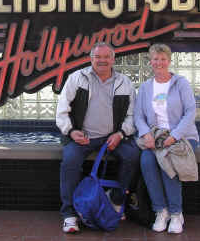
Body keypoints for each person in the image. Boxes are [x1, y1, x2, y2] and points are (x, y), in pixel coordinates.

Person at [56, 42, 140, 233]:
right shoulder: (77, 78)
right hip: (81, 136)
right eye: (98, 57)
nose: (102, 61)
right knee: (70, 162)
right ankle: (69, 214)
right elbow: (61, 110)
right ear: (91, 59)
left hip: (112, 137)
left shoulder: (124, 82)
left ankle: (117, 200)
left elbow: (132, 115)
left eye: (106, 57)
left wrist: (121, 134)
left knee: (133, 156)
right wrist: (71, 131)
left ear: (113, 59)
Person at [134, 43, 199, 234]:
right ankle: (161, 211)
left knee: (167, 163)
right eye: (155, 59)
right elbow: (138, 115)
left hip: (182, 135)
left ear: (169, 61)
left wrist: (175, 135)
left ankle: (176, 213)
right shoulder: (145, 87)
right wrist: (146, 134)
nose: (159, 62)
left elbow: (190, 111)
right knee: (147, 161)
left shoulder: (180, 83)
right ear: (150, 61)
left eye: (163, 59)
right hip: (155, 137)